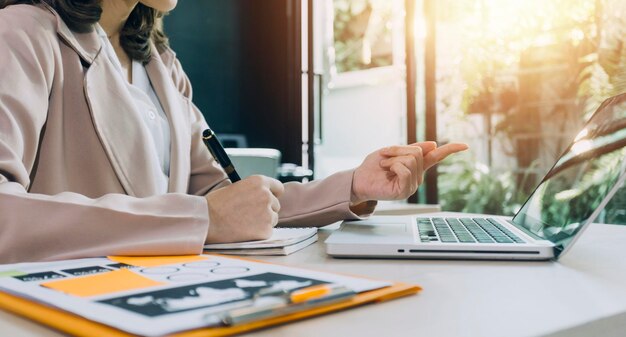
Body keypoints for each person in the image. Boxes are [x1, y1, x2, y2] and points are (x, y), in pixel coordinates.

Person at [0, 0, 468, 263]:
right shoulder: (22, 33)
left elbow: (229, 199)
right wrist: (199, 220)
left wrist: (353, 185)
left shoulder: (160, 65)